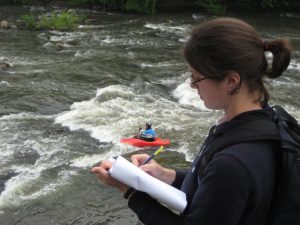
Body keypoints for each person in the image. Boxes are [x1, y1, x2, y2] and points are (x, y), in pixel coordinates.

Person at [91, 17, 292, 225]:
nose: (192, 85)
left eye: (197, 78)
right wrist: (165, 175)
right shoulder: (267, 120)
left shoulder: (233, 161)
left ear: (231, 81)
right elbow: (216, 190)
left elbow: (223, 180)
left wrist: (130, 192)